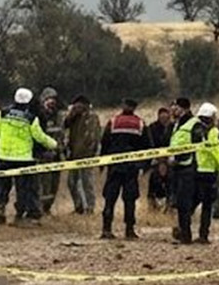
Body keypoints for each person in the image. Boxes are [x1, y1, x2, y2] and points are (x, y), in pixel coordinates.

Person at [0, 87, 59, 225]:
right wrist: (54, 144)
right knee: (23, 189)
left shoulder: (3, 113)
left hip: (4, 156)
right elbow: (39, 136)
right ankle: (20, 215)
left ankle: (0, 212)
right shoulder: (31, 118)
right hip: (23, 158)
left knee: (3, 186)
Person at [98, 98, 151, 239]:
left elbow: (104, 142)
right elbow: (148, 147)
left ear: (123, 106)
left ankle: (106, 229)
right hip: (131, 168)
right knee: (130, 200)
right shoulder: (140, 123)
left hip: (114, 167)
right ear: (134, 108)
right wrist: (144, 165)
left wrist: (102, 163)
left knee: (110, 198)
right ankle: (129, 230)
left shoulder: (113, 122)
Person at [191, 103, 219, 244]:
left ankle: (183, 229)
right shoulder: (213, 131)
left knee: (193, 202)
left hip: (196, 170)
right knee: (207, 206)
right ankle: (203, 235)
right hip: (209, 173)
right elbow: (217, 151)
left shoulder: (195, 129)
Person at [167, 97, 200, 244]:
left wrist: (178, 158)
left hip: (188, 166)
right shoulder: (176, 124)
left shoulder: (194, 124)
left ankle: (186, 235)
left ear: (184, 108)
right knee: (179, 203)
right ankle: (182, 231)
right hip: (177, 168)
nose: (173, 110)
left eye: (176, 107)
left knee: (184, 203)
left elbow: (196, 147)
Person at [63, 94, 102, 214]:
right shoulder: (74, 117)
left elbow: (93, 136)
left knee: (87, 182)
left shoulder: (92, 117)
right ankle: (78, 206)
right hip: (73, 154)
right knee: (71, 182)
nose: (77, 108)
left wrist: (91, 151)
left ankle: (90, 207)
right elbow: (65, 126)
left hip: (86, 154)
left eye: (79, 106)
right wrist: (71, 115)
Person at [35, 87, 66, 215]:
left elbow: (63, 134)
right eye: (48, 98)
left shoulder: (59, 115)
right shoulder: (38, 115)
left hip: (57, 154)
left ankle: (48, 207)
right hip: (43, 155)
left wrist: (62, 150)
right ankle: (40, 207)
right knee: (43, 182)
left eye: (53, 99)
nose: (51, 101)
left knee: (54, 183)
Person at [146, 107, 174, 210]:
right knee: (153, 180)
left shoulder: (173, 127)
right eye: (162, 117)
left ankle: (170, 205)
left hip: (170, 158)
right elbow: (149, 142)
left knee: (171, 181)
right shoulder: (152, 127)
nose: (164, 119)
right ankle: (152, 205)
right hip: (156, 158)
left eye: (166, 117)